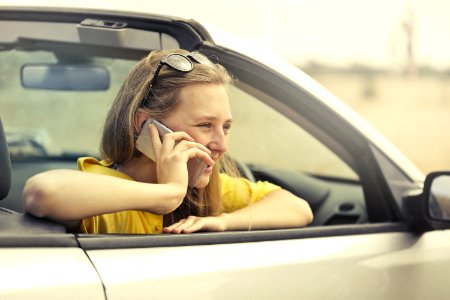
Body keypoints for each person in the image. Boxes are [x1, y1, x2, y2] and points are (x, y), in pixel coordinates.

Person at [23, 49, 313, 234]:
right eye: (205, 125)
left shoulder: (202, 187)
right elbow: (42, 193)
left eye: (226, 126)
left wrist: (223, 222)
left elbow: (298, 208)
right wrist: (169, 193)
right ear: (146, 124)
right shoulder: (102, 184)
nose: (222, 144)